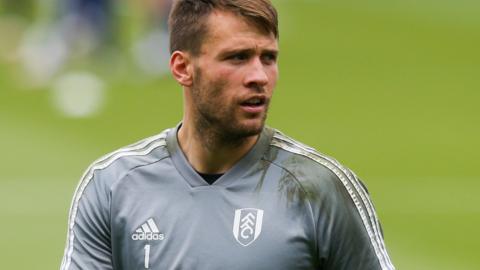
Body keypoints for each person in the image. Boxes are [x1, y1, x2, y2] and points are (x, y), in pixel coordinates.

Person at [60, 0, 395, 269]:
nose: (259, 76)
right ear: (182, 68)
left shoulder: (319, 189)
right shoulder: (113, 186)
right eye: (238, 57)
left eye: (269, 58)